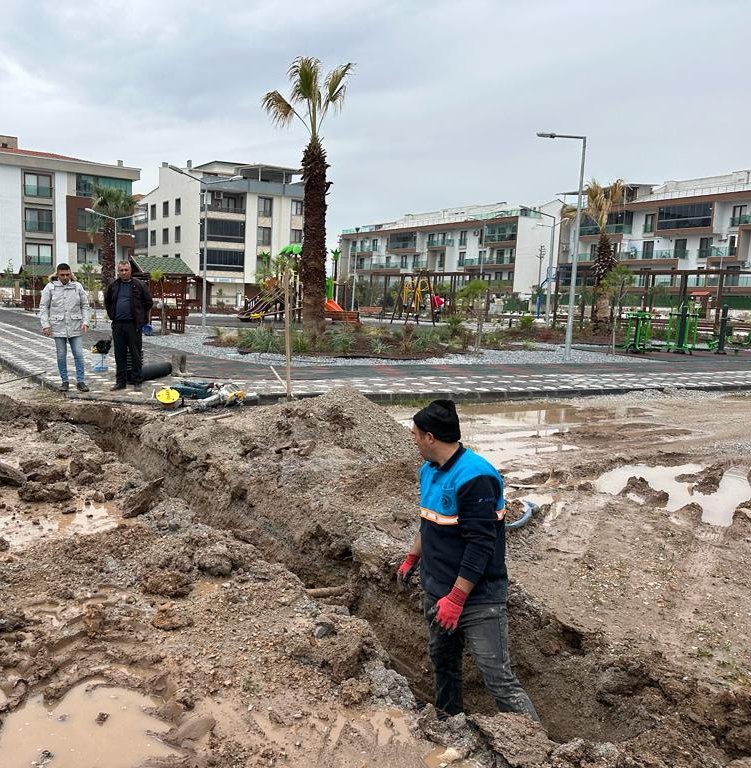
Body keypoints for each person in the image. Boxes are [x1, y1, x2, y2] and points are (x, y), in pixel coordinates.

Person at [397, 399, 538, 720]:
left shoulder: (475, 477)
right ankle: (449, 723)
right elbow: (428, 522)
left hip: (477, 600)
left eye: (415, 434)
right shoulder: (428, 471)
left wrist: (458, 598)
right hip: (437, 591)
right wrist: (411, 558)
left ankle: (536, 748)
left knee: (498, 679)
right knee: (444, 664)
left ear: (430, 437)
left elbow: (481, 546)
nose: (413, 440)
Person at [39, 263, 90, 392]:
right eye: (62, 275)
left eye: (67, 274)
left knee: (78, 354)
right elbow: (43, 307)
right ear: (57, 274)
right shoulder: (50, 288)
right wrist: (45, 325)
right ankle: (65, 381)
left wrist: (86, 321)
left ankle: (81, 381)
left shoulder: (77, 287)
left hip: (75, 326)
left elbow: (85, 305)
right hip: (58, 326)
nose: (65, 277)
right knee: (61, 355)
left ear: (70, 273)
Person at [104, 260, 153, 391]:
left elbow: (148, 302)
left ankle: (137, 381)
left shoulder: (139, 285)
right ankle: (121, 382)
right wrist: (112, 315)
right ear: (118, 271)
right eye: (121, 270)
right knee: (119, 354)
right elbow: (107, 301)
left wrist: (141, 318)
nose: (124, 272)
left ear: (130, 271)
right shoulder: (113, 286)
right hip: (118, 325)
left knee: (135, 354)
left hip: (133, 325)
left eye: (126, 270)